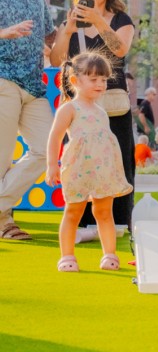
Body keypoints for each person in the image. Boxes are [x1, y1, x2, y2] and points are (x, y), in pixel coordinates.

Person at [50, 0, 138, 241]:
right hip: (78, 106)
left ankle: (119, 221)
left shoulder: (121, 19)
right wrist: (68, 30)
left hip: (112, 104)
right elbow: (56, 60)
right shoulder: (72, 18)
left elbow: (120, 49)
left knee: (116, 160)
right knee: (80, 159)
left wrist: (98, 20)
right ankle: (82, 223)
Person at [45, 52, 133, 272]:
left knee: (104, 211)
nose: (100, 84)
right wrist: (52, 165)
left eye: (103, 79)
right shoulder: (69, 108)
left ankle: (110, 254)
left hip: (102, 171)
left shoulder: (102, 112)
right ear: (75, 80)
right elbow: (55, 137)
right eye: (94, 79)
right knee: (73, 211)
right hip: (78, 169)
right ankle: (67, 256)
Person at [0, 0, 56, 242]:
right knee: (1, 159)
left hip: (34, 87)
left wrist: (72, 27)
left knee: (47, 150)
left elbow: (51, 37)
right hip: (3, 81)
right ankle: (5, 223)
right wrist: (4, 33)